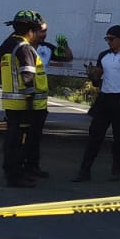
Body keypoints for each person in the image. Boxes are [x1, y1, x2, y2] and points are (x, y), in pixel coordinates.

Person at [75, 25, 120, 182]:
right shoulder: (103, 55)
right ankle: (84, 171)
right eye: (107, 39)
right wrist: (92, 74)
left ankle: (116, 169)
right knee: (94, 135)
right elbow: (97, 80)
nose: (108, 42)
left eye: (111, 39)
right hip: (105, 99)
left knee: (119, 137)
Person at [0, 10, 48, 187]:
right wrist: (31, 100)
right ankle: (16, 176)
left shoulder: (9, 45)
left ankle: (12, 171)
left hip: (12, 103)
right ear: (30, 31)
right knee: (19, 142)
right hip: (24, 105)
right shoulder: (24, 48)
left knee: (12, 140)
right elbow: (28, 76)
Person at [24, 22, 73, 179]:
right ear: (33, 32)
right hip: (23, 97)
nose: (44, 34)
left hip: (39, 99)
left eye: (46, 31)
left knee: (35, 136)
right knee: (20, 134)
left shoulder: (48, 48)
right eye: (41, 31)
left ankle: (33, 166)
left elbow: (68, 57)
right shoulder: (24, 47)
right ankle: (19, 166)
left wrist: (64, 45)